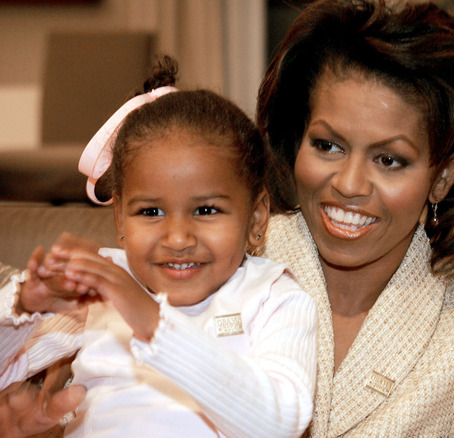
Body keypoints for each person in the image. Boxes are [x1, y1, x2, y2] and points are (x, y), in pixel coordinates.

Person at [253, 0, 454, 435]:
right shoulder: (230, 256)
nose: (350, 183)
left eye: (389, 160)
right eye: (327, 146)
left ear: (443, 177)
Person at [0, 58, 317, 437]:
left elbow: (279, 425)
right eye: (150, 211)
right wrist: (24, 308)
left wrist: (149, 318)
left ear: (256, 219)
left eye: (206, 210)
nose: (178, 238)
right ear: (119, 219)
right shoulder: (99, 291)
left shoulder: (274, 298)